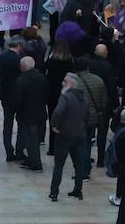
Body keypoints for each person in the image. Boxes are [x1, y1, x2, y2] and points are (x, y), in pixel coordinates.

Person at [48, 72, 90, 202]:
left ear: (71, 84)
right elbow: (88, 116)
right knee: (78, 165)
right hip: (79, 134)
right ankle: (78, 191)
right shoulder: (83, 97)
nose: (62, 83)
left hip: (65, 135)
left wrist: (54, 125)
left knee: (59, 165)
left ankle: (54, 192)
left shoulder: (66, 97)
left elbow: (57, 112)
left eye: (65, 81)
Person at [13, 55, 48, 171]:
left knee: (30, 141)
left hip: (27, 115)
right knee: (35, 140)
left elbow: (18, 100)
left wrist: (17, 111)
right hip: (40, 113)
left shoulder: (21, 80)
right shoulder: (42, 78)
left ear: (22, 67)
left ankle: (36, 164)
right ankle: (32, 160)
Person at [0, 37, 23, 162]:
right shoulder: (18, 59)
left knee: (8, 123)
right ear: (18, 45)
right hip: (17, 94)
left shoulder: (0, 57)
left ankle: (8, 151)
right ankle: (19, 150)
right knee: (21, 123)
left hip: (4, 93)